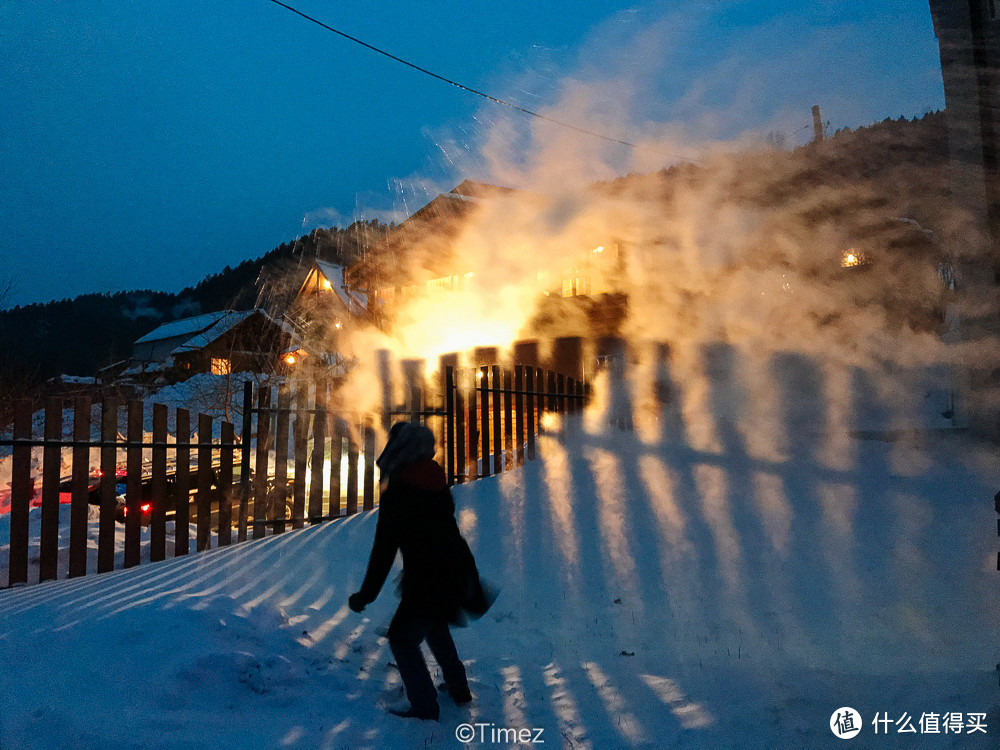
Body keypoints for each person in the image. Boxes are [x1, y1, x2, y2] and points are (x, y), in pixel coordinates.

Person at [348, 421, 492, 721]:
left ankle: (425, 707)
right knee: (435, 624)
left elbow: (384, 550)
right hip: (452, 569)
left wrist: (366, 595)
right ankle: (459, 689)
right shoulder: (434, 479)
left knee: (402, 638)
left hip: (427, 578)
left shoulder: (399, 491)